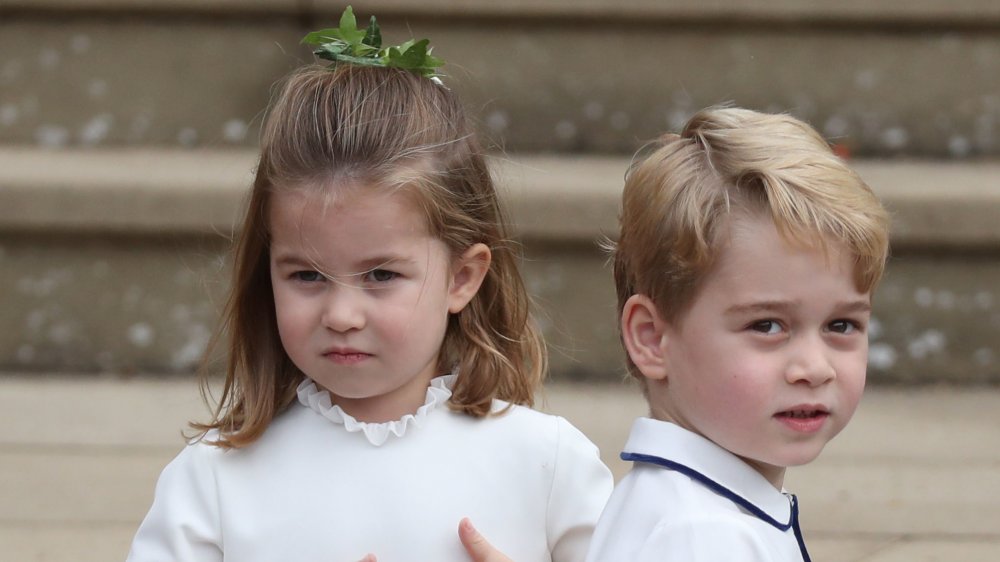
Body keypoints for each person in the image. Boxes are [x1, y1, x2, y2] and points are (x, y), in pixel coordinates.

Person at [126, 9, 612, 562]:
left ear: (463, 277)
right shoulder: (213, 481)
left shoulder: (546, 464)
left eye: (380, 275)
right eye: (306, 275)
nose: (341, 314)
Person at [584, 106, 891, 561]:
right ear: (651, 338)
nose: (814, 368)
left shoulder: (691, 508)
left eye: (840, 325)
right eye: (767, 325)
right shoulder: (705, 536)